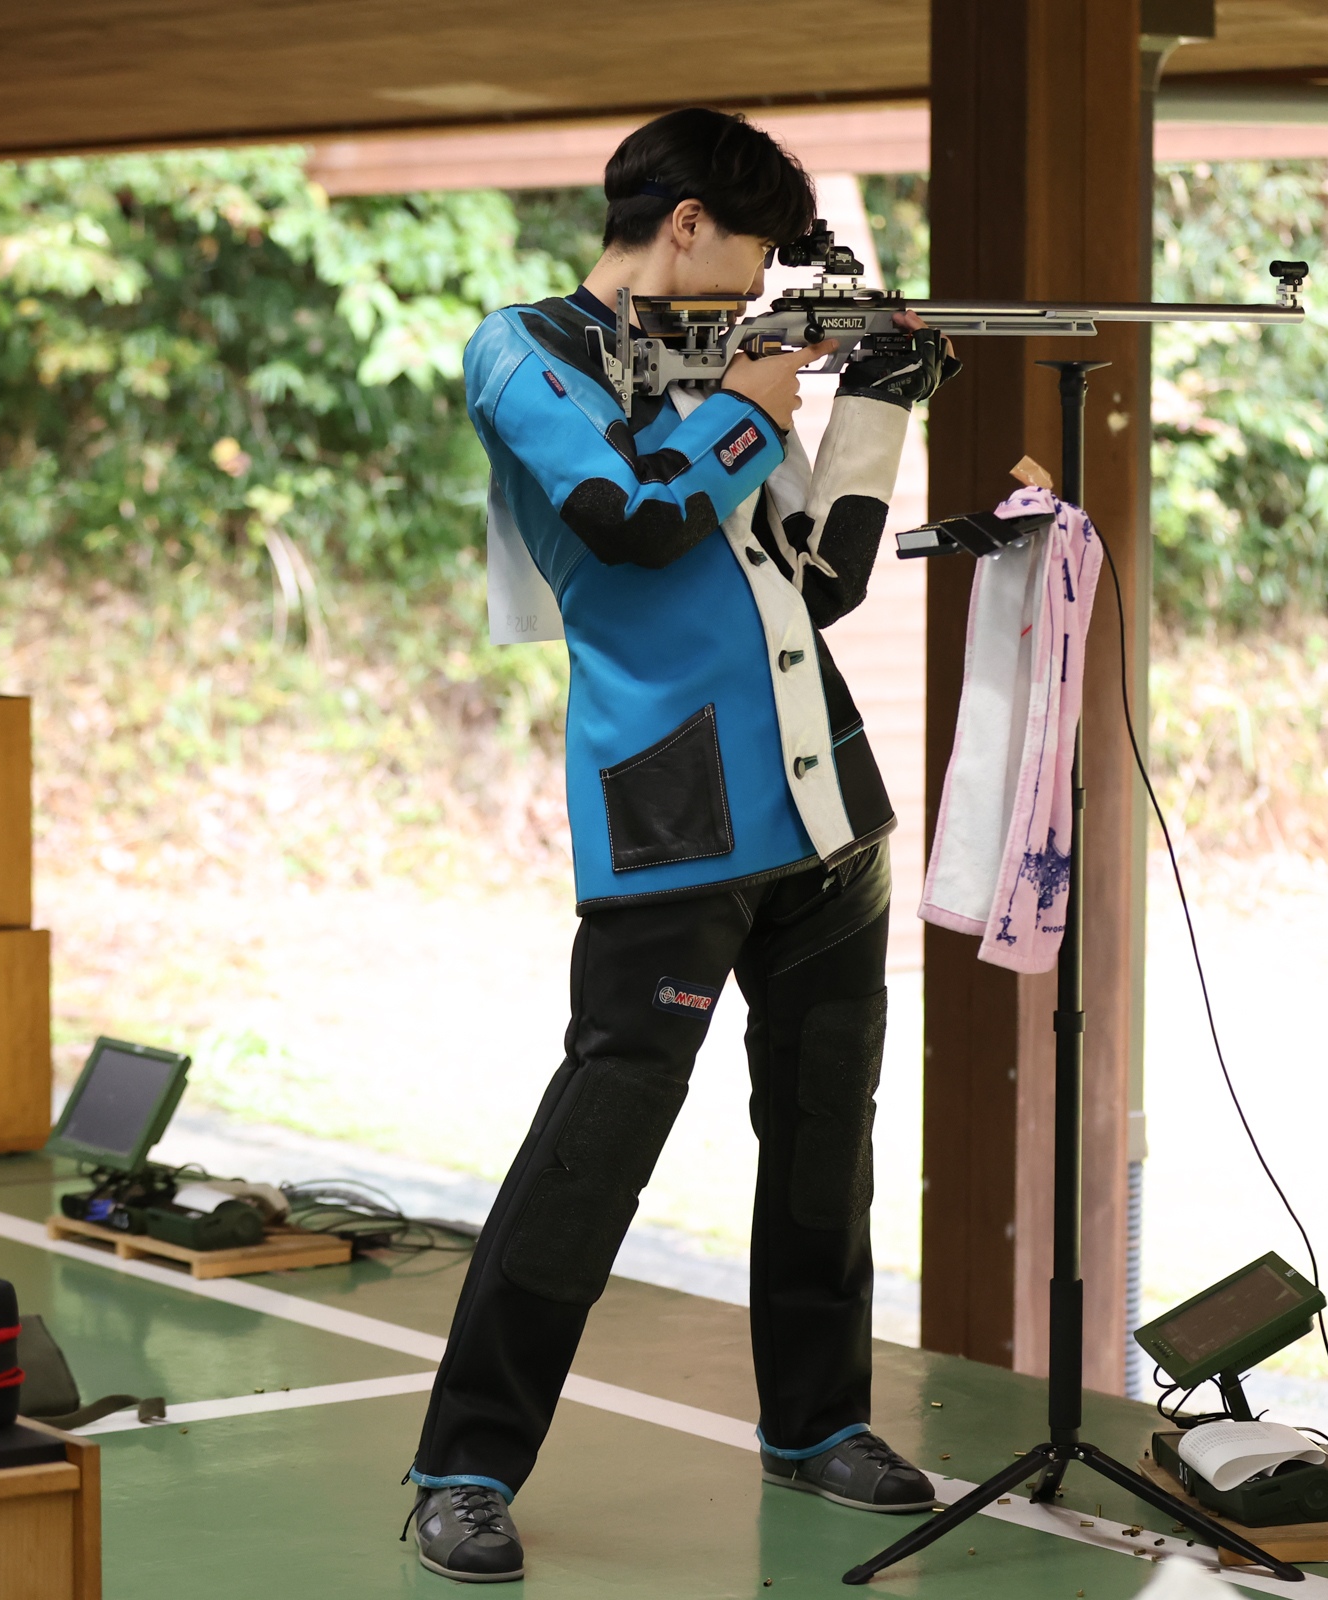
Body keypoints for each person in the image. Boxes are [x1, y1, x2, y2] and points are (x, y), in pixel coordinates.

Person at [399, 108, 960, 1584]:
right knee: (594, 1152)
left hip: (827, 812)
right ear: (689, 223)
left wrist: (874, 407)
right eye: (750, 254)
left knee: (826, 1139)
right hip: (671, 821)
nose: (755, 288)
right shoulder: (521, 351)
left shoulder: (722, 373)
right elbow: (631, 515)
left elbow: (821, 580)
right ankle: (465, 1467)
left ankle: (818, 1426)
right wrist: (758, 402)